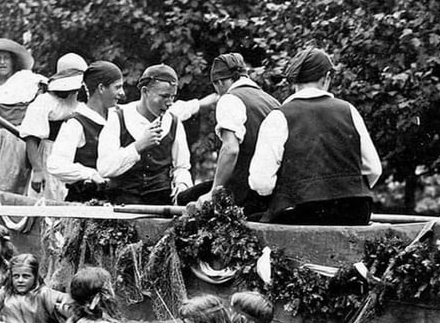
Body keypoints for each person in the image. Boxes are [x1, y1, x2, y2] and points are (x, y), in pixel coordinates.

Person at [249, 46, 382, 225]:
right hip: (356, 212)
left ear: (294, 81)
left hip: (305, 211)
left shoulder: (279, 116)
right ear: (327, 77)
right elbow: (374, 169)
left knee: (253, 220)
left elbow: (261, 182)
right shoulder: (349, 110)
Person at [194, 54, 280, 215]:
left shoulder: (229, 99)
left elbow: (231, 149)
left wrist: (213, 193)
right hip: (272, 193)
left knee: (187, 200)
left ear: (219, 82)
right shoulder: (272, 101)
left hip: (244, 194)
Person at [97, 64, 193, 205]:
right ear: (145, 91)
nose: (169, 103)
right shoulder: (118, 118)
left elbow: (182, 167)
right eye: (164, 96)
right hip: (122, 205)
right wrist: (137, 147)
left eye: (172, 97)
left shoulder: (174, 122)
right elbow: (104, 168)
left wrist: (182, 185)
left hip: (160, 205)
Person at [0, 37, 47, 194]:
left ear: (13, 61)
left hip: (19, 138)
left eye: (6, 58)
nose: (2, 62)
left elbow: (47, 89)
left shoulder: (26, 79)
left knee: (12, 184)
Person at [48, 61, 125, 202]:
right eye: (117, 87)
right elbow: (55, 164)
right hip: (85, 202)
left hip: (118, 200)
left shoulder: (119, 115)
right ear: (101, 88)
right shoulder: (76, 123)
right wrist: (89, 174)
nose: (122, 93)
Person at [20, 52, 87, 199]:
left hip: (75, 157)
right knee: (50, 197)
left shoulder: (82, 102)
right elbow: (31, 138)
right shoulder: (45, 101)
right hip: (49, 155)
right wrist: (38, 170)